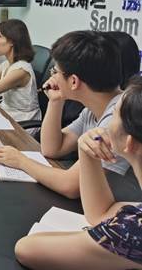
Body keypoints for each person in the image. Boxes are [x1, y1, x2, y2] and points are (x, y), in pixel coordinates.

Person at [14, 76, 142, 270]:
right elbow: (100, 213)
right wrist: (86, 153)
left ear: (130, 143)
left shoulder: (132, 231)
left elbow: (26, 249)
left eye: (115, 112)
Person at [0, 31, 129, 199]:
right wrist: (56, 101)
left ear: (73, 81)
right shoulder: (94, 109)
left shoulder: (118, 119)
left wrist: (20, 161)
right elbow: (52, 149)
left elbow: (70, 186)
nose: (53, 77)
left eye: (55, 71)